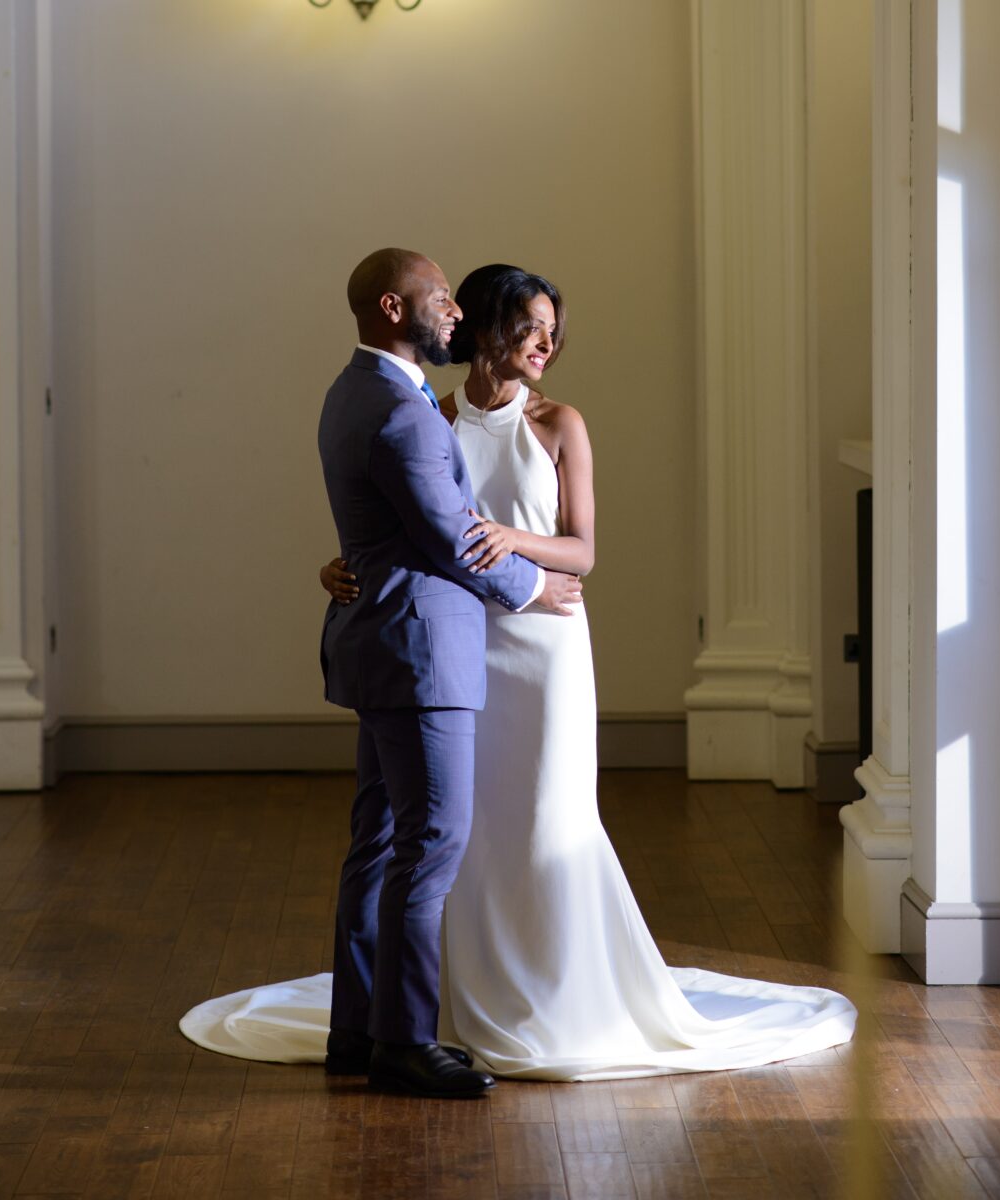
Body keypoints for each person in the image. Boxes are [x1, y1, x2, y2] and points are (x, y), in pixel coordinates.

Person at [180, 263, 856, 1081]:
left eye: (552, 329)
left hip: (543, 649)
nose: (546, 341)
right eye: (531, 324)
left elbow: (582, 550)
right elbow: (408, 524)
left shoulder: (558, 423)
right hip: (456, 643)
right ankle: (445, 1005)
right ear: (486, 327)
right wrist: (349, 564)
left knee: (534, 821)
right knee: (453, 836)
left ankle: (543, 995)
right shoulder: (423, 412)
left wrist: (517, 548)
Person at [195, 249, 581, 1101]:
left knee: (375, 843)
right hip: (420, 653)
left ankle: (357, 1031)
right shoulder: (405, 412)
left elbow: (392, 528)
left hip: (379, 640)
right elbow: (450, 536)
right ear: (391, 308)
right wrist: (533, 585)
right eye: (438, 298)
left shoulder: (353, 392)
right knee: (429, 844)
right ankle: (405, 1044)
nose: (452, 310)